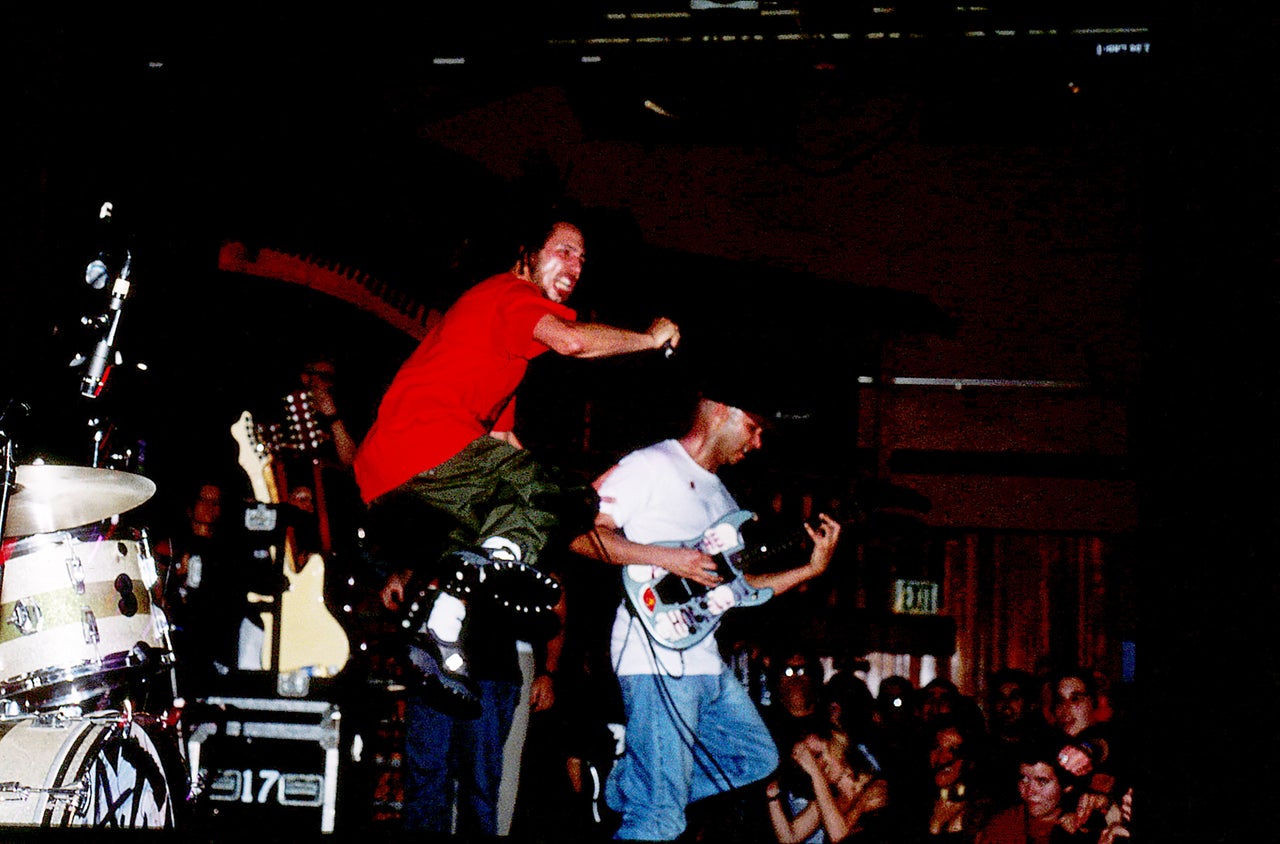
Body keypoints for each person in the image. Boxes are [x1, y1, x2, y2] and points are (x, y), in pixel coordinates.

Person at [353, 210, 680, 836]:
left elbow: (508, 447)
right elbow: (574, 341)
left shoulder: (500, 353)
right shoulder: (509, 296)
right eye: (563, 252)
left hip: (397, 488)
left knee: (550, 496)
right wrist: (648, 337)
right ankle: (452, 610)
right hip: (419, 457)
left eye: (582, 260)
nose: (574, 268)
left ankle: (445, 622)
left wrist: (582, 521)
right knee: (557, 496)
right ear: (526, 255)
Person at [569, 380, 843, 841]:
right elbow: (581, 535)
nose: (757, 443)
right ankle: (643, 800)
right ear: (721, 411)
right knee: (661, 819)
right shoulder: (650, 465)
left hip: (702, 656)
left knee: (755, 756)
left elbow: (742, 587)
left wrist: (809, 571)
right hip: (654, 655)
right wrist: (669, 558)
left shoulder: (724, 502)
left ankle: (620, 788)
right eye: (753, 429)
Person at [765, 726, 892, 843]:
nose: (816, 765)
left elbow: (839, 836)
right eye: (809, 760)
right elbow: (789, 837)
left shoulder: (876, 786)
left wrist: (815, 772)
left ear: (837, 745)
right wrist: (772, 797)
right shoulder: (828, 800)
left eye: (818, 755)